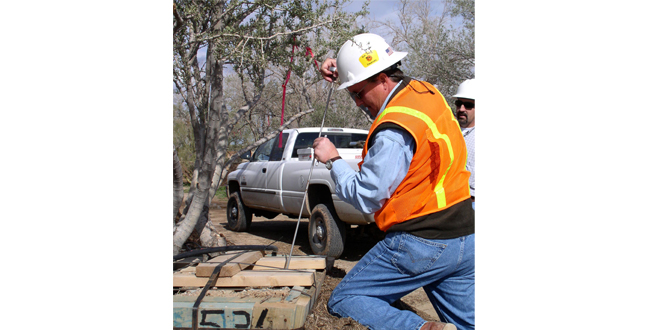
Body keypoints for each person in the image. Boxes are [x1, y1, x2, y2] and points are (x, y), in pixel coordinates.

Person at [313, 33, 474, 330]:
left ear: (384, 79)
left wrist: (333, 161)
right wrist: (345, 68)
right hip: (465, 238)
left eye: (359, 93)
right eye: (352, 93)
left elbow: (367, 197)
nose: (358, 102)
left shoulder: (392, 131)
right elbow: (368, 67)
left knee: (346, 299)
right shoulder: (425, 91)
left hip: (421, 241)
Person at [453, 79, 476, 208]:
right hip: (454, 204)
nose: (461, 109)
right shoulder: (449, 130)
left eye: (468, 105)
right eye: (459, 103)